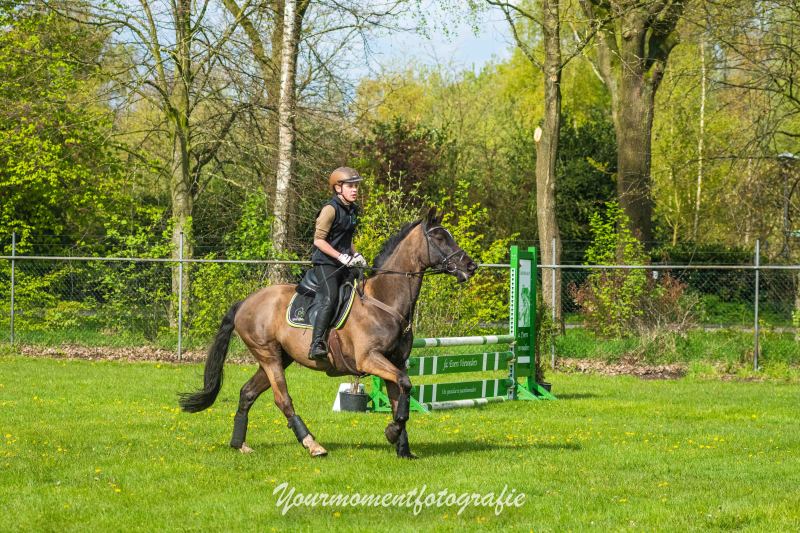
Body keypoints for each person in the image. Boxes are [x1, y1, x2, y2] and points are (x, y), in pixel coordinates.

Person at [308, 167, 368, 360]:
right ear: (337, 188)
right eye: (350, 186)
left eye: (356, 186)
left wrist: (355, 254)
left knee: (364, 289)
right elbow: (319, 241)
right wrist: (340, 256)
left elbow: (345, 238)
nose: (355, 190)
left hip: (344, 263)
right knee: (330, 297)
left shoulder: (352, 209)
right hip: (325, 263)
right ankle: (316, 343)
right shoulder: (330, 209)